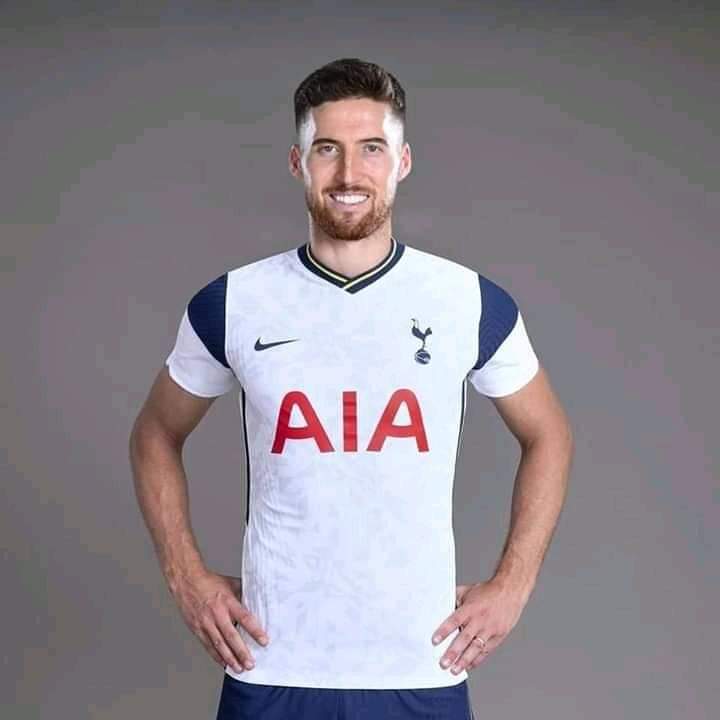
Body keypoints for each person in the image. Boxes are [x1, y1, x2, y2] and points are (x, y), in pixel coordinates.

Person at [129, 57, 574, 720]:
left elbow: (549, 435)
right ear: (297, 163)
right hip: (272, 663)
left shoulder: (468, 302)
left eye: (371, 148)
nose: (348, 174)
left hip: (419, 665)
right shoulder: (234, 303)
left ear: (403, 161)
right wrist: (185, 576)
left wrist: (512, 585)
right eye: (326, 149)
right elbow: (154, 435)